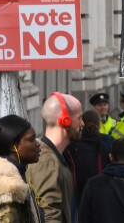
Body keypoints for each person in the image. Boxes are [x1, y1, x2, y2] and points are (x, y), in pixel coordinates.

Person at [27, 92, 83, 223]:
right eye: (79, 118)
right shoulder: (46, 160)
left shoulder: (54, 157)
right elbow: (49, 214)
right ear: (65, 120)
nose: (83, 123)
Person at [66, 110, 112, 205]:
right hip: (100, 193)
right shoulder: (107, 142)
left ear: (82, 123)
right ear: (98, 124)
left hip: (76, 194)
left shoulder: (71, 144)